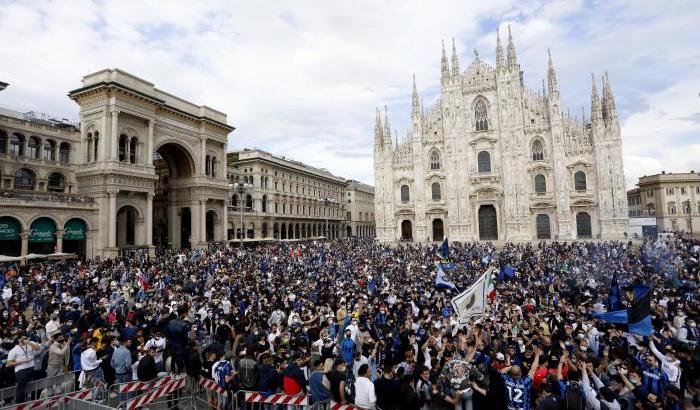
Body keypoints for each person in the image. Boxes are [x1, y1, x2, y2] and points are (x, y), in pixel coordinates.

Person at [6, 333, 42, 403]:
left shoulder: (30, 343)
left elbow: (37, 349)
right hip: (21, 369)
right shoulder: (14, 350)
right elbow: (8, 364)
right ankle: (19, 402)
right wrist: (21, 362)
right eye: (23, 338)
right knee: (22, 383)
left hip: (32, 367)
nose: (25, 340)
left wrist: (29, 343)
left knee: (38, 380)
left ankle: (34, 399)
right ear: (19, 339)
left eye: (26, 338)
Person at [80, 337, 106, 401]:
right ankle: (95, 399)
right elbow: (93, 363)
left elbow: (88, 362)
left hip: (86, 371)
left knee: (94, 385)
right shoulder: (93, 352)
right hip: (94, 370)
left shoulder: (85, 351)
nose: (98, 344)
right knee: (99, 384)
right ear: (94, 343)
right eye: (97, 343)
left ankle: (95, 397)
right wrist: (101, 359)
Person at [111, 336, 133, 401]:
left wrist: (116, 368)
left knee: (121, 388)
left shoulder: (115, 351)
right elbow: (128, 364)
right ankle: (129, 404)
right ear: (125, 342)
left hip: (117, 373)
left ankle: (121, 404)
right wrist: (129, 370)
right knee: (128, 388)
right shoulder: (127, 351)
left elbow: (112, 363)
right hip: (125, 373)